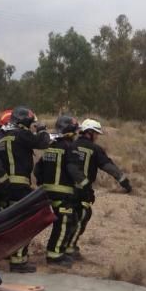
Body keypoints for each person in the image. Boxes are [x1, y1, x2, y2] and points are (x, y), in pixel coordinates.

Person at [0, 106, 51, 272]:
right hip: (20, 187)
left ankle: (6, 254)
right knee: (23, 224)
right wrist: (42, 129)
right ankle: (18, 261)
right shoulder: (22, 134)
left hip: (4, 187)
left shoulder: (1, 140)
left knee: (8, 224)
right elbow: (43, 142)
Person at [68, 118, 132, 260]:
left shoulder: (70, 145)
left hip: (66, 190)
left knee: (67, 219)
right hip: (83, 191)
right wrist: (124, 182)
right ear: (89, 133)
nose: (97, 137)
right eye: (96, 133)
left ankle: (64, 246)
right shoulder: (94, 149)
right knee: (83, 216)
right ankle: (70, 248)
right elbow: (108, 167)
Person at [35, 114, 87, 267]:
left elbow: (38, 169)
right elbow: (73, 169)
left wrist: (42, 183)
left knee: (62, 221)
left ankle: (57, 252)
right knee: (64, 221)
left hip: (46, 192)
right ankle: (55, 256)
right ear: (70, 131)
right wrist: (85, 185)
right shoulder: (69, 148)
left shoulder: (51, 147)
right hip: (63, 193)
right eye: (75, 132)